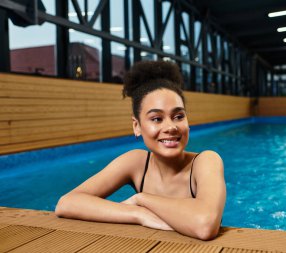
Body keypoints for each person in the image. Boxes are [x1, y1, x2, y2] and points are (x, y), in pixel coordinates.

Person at [55, 61, 226, 240]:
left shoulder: (206, 161)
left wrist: (141, 199)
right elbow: (66, 203)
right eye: (157, 119)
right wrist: (138, 215)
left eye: (178, 116)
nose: (171, 127)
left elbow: (205, 225)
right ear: (137, 126)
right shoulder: (136, 163)